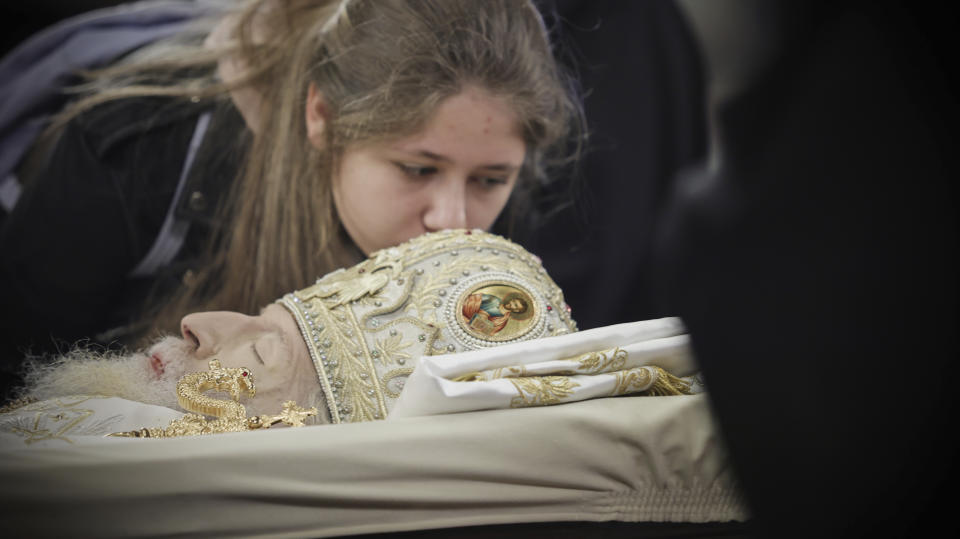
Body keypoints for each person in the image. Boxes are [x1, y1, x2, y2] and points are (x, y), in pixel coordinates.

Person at [0, 0, 584, 399]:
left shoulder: (497, 191)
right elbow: (18, 377)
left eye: (489, 181)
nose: (452, 220)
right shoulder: (137, 151)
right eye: (416, 168)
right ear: (321, 117)